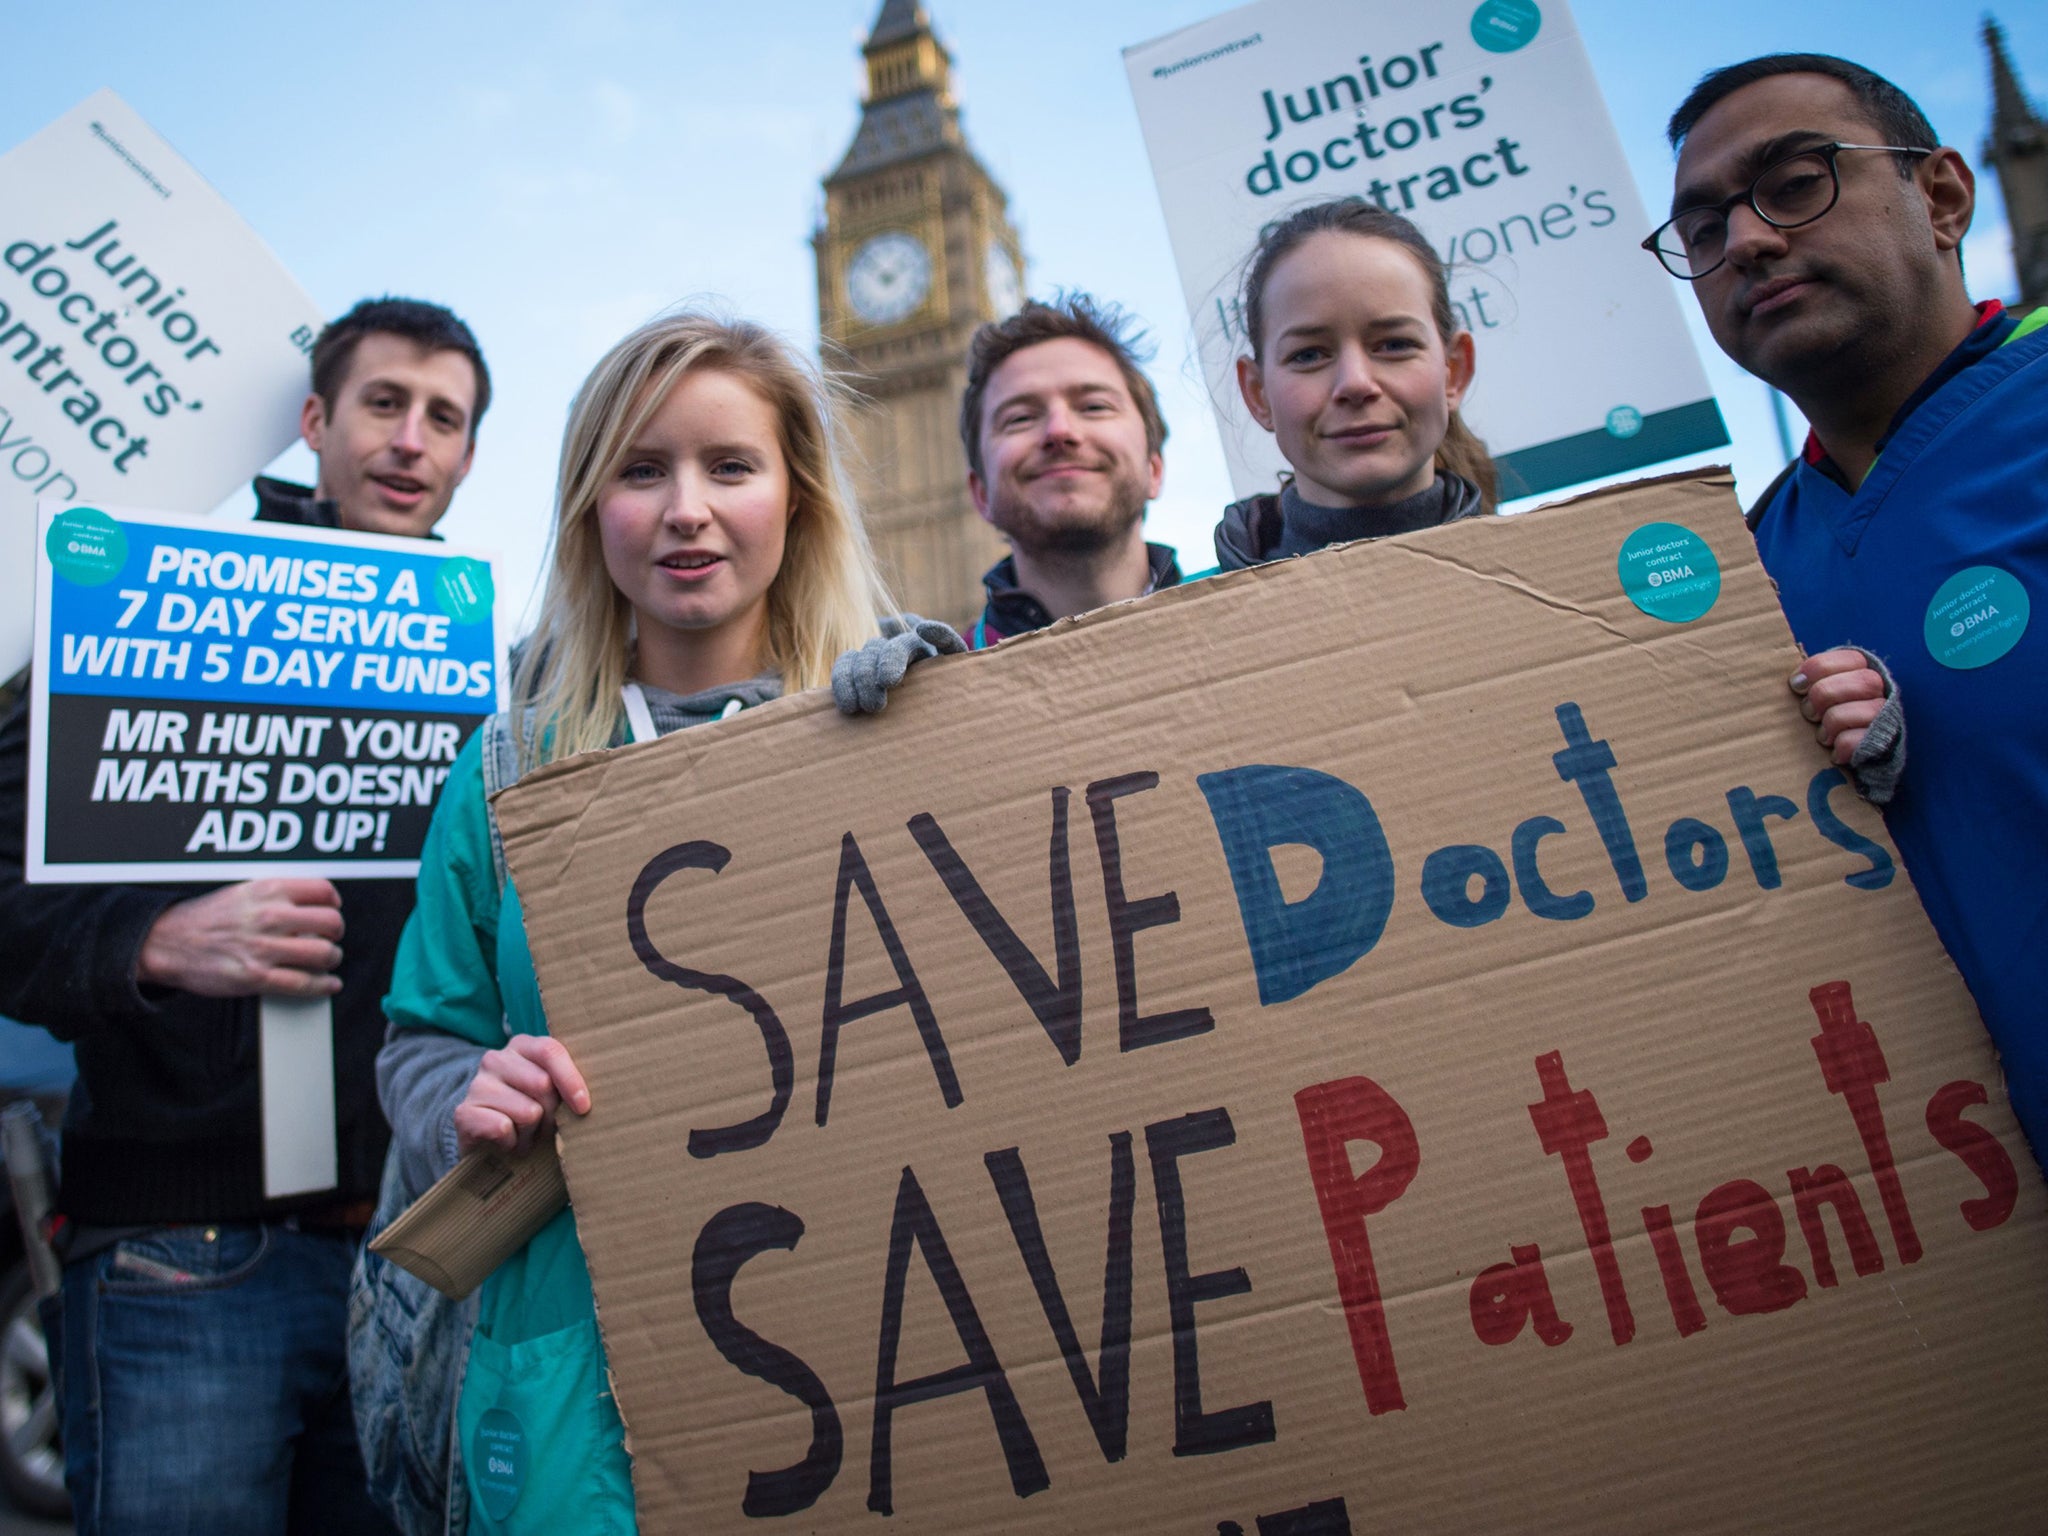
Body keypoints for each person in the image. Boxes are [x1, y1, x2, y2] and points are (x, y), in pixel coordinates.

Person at [375, 311, 935, 1533]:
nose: (686, 508)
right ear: (589, 509)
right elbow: (419, 1039)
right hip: (575, 1388)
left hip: (871, 1359)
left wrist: (952, 739)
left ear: (798, 499)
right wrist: (466, 1090)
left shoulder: (902, 724)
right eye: (642, 470)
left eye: (729, 467)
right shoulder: (502, 774)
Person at [0, 295, 489, 1533]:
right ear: (317, 421)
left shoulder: (495, 680)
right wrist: (155, 943)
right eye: (383, 403)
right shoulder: (138, 607)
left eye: (445, 418)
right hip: (185, 1256)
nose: (409, 440)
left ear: (469, 456)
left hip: (411, 1256)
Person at [1652, 54, 2048, 1161]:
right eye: (1701, 230)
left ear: (1940, 196)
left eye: (1793, 184)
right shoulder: (1744, 579)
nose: (1745, 242)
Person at [1215, 198, 1497, 569]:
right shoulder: (1188, 623)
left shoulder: (1552, 584)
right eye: (1309, 355)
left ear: (1454, 371)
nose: (1356, 383)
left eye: (1395, 345)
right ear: (1257, 394)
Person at [958, 295, 1181, 645]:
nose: (1059, 431)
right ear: (981, 494)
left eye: (1094, 406)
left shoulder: (1251, 614)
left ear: (1154, 468)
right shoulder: (936, 686)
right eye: (1020, 418)